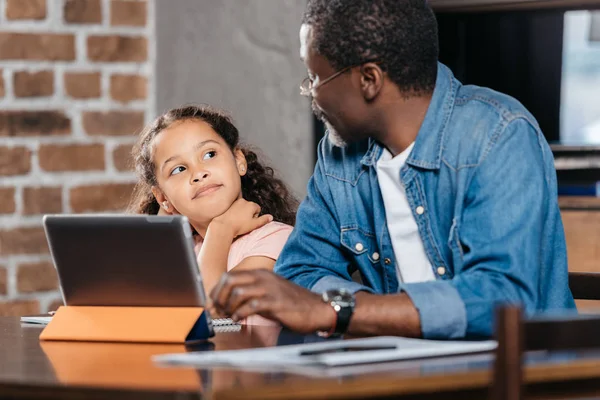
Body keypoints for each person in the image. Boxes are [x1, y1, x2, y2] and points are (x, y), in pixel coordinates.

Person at [209, 0, 575, 338]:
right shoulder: (339, 156)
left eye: (316, 78)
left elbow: (501, 301)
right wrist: (348, 311)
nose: (311, 94)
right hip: (398, 371)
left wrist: (340, 309)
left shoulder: (499, 134)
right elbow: (300, 271)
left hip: (516, 376)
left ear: (369, 80)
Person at [129, 105, 297, 312]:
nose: (198, 173)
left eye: (209, 154)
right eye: (178, 169)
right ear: (163, 198)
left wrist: (221, 228)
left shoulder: (278, 240)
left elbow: (209, 310)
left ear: (239, 161)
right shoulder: (186, 255)